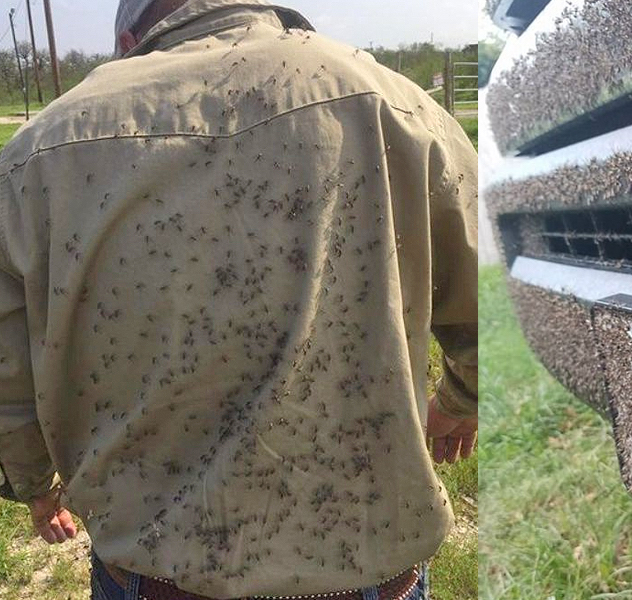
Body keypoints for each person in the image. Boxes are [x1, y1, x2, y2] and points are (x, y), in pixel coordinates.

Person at [0, 0, 478, 598]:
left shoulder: (36, 154)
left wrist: (33, 482)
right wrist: (461, 398)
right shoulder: (393, 106)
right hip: (368, 566)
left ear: (129, 38)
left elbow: (7, 370)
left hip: (157, 573)